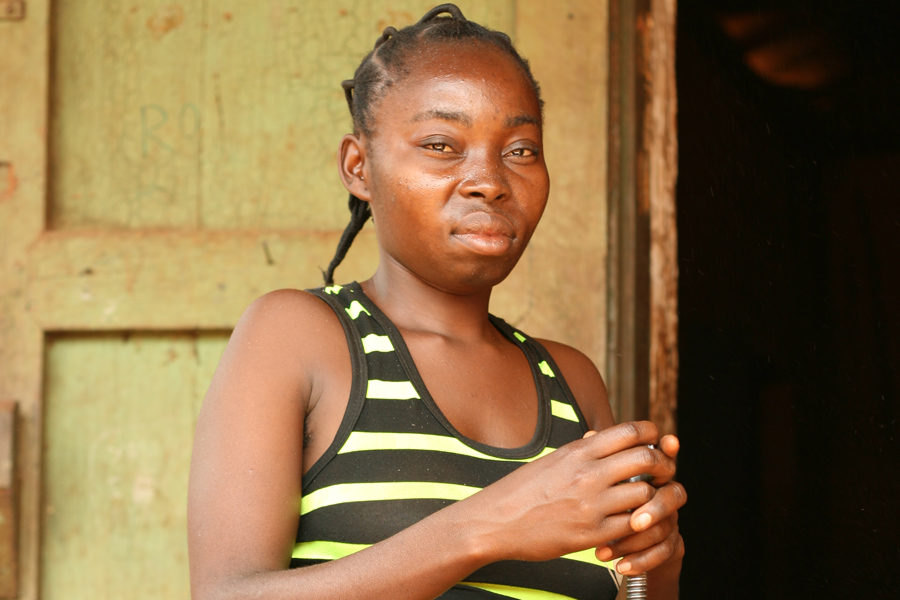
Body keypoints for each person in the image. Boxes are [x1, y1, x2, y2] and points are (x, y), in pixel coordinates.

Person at [187, 5, 686, 599]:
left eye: (521, 150)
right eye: (442, 145)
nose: (490, 180)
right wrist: (490, 526)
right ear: (358, 167)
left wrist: (658, 560)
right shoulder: (299, 337)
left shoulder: (571, 382)